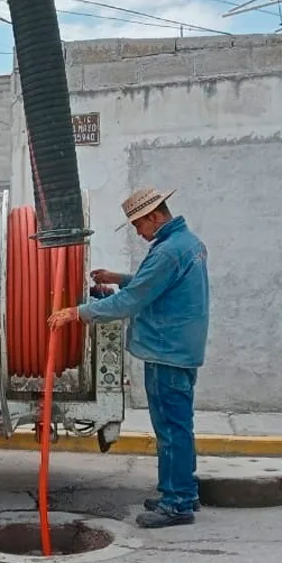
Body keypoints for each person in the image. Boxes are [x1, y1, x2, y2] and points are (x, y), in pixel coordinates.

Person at [48, 187, 209, 528]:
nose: (138, 232)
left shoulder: (167, 252)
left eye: (138, 224)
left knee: (170, 429)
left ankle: (177, 504)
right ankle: (181, 490)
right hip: (180, 350)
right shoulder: (186, 244)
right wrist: (118, 278)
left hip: (167, 352)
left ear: (154, 216)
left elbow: (131, 301)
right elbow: (152, 284)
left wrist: (77, 313)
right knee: (179, 426)